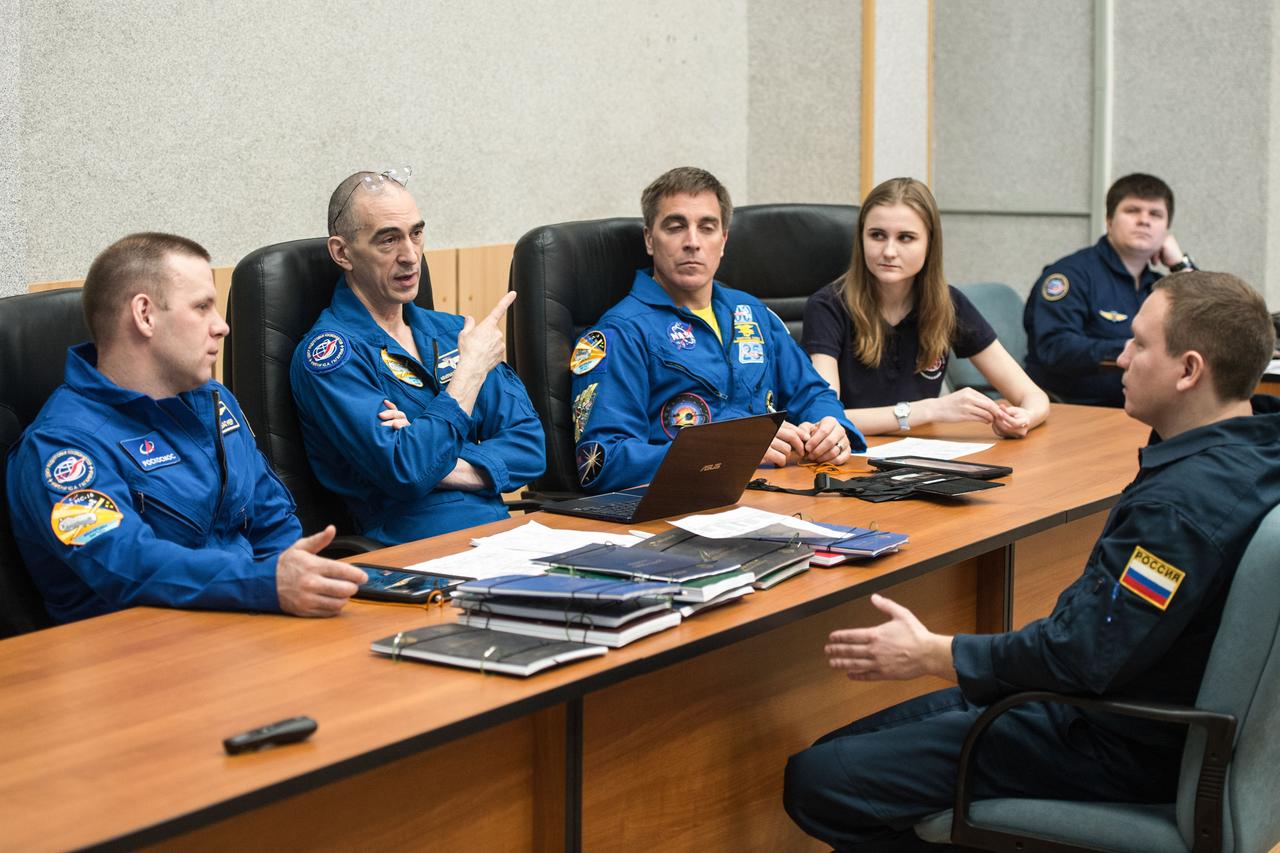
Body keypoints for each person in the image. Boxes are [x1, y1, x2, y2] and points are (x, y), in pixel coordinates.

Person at [783, 270, 1279, 852]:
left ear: (1190, 370)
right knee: (832, 754)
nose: (1120, 357)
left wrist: (931, 652)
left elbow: (1081, 657)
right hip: (1155, 718)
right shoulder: (1255, 453)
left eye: (1139, 344)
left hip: (1112, 739)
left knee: (818, 780)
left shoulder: (1182, 511)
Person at [6, 233, 368, 624]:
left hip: (250, 624)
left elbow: (271, 517)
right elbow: (129, 565)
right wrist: (263, 584)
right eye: (202, 308)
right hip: (137, 653)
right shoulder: (62, 448)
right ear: (144, 315)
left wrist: (299, 581)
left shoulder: (212, 401)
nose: (222, 326)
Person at [569, 166, 864, 494]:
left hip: (780, 493)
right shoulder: (621, 333)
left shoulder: (752, 313)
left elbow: (812, 393)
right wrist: (727, 451)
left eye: (707, 228)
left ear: (723, 241)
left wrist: (831, 428)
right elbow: (601, 461)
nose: (692, 242)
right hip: (684, 508)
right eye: (676, 227)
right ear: (650, 240)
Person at [291, 169, 544, 544]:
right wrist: (469, 375)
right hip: (410, 552)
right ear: (342, 253)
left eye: (416, 233)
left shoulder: (453, 332)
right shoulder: (331, 355)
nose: (410, 257)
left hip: (502, 535)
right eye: (388, 240)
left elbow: (531, 447)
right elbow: (406, 471)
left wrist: (434, 458)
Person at [804, 177, 1049, 436]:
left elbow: (1032, 395)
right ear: (861, 238)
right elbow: (826, 419)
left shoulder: (949, 303)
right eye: (877, 235)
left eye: (905, 238)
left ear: (929, 244)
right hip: (849, 458)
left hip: (919, 456)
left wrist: (1023, 418)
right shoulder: (827, 306)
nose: (888, 251)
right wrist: (932, 410)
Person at [1024, 172, 1195, 406]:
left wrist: (1179, 265)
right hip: (1078, 407)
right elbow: (1054, 348)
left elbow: (1209, 327)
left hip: (1144, 407)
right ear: (1109, 220)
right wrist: (1130, 348)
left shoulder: (1159, 286)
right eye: (1132, 211)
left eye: (1155, 214)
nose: (1144, 220)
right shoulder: (1070, 275)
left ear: (1166, 230)